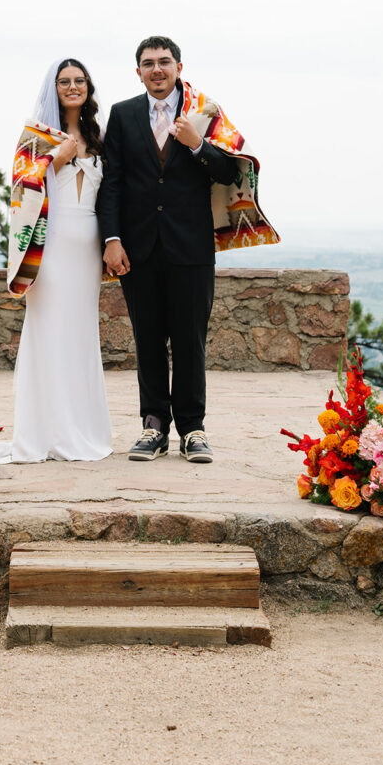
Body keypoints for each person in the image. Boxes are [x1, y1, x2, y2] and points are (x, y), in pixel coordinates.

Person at [96, 35, 278, 463]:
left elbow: (228, 171)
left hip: (191, 247)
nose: (156, 70)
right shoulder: (122, 115)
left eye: (164, 62)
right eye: (148, 63)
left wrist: (197, 144)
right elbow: (113, 182)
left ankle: (193, 429)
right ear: (137, 71)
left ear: (179, 66)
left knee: (190, 340)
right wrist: (112, 239)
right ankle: (153, 426)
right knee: (148, 339)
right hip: (138, 248)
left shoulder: (206, 113)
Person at [0, 58, 112, 464]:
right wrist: (56, 159)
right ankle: (43, 432)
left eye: (79, 81)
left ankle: (81, 429)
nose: (72, 87)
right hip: (48, 249)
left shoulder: (100, 135)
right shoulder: (35, 137)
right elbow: (20, 186)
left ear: (88, 87)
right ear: (53, 88)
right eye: (64, 81)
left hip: (87, 247)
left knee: (81, 334)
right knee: (49, 331)